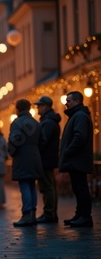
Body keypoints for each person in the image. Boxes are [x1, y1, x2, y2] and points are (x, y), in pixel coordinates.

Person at [59, 91, 94, 227]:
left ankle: (85, 216)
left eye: (68, 101)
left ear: (77, 101)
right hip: (76, 159)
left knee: (81, 188)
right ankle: (80, 214)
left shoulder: (79, 116)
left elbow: (79, 137)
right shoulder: (76, 115)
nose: (66, 103)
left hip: (77, 159)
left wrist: (67, 152)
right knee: (78, 188)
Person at [8, 99, 43, 227]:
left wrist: (11, 151)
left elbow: (15, 139)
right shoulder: (36, 123)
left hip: (22, 157)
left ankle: (26, 214)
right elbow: (42, 140)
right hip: (35, 157)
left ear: (18, 109)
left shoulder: (17, 123)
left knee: (24, 185)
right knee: (32, 185)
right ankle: (32, 214)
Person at [34, 96, 61, 224]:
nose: (37, 108)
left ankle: (49, 213)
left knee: (47, 187)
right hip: (48, 158)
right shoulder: (48, 121)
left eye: (39, 106)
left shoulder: (48, 122)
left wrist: (35, 149)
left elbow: (42, 141)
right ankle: (50, 213)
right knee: (49, 186)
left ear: (45, 106)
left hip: (45, 159)